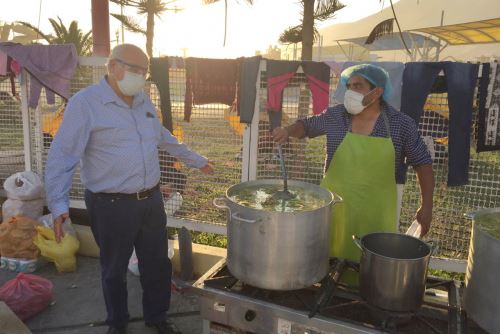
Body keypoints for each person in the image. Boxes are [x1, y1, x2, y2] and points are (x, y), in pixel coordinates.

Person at [45, 44, 214, 334]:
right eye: (135, 70)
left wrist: (196, 161)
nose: (141, 76)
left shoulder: (142, 100)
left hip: (151, 201)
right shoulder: (85, 104)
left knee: (157, 264)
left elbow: (162, 136)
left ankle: (157, 317)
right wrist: (59, 206)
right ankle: (118, 323)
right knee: (114, 270)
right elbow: (63, 155)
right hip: (110, 205)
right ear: (112, 67)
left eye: (144, 71)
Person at [273, 64, 434, 277]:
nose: (349, 91)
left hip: (376, 210)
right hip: (335, 205)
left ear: (377, 92)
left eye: (357, 86)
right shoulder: (336, 116)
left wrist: (427, 207)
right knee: (327, 260)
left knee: (369, 268)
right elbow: (307, 126)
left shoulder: (400, 124)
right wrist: (287, 131)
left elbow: (423, 163)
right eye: (348, 86)